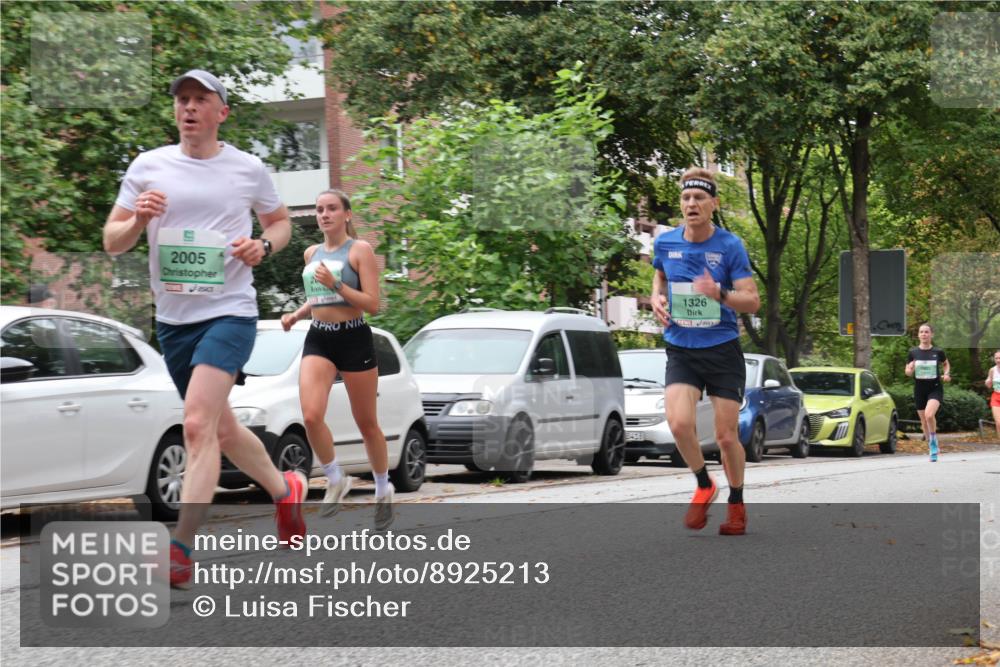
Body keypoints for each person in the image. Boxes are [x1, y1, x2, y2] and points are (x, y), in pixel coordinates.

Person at [103, 69, 305, 588]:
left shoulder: (247, 168)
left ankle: (180, 548)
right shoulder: (148, 167)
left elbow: (279, 223)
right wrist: (138, 220)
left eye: (200, 100)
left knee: (195, 424)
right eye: (182, 100)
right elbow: (112, 242)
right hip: (173, 321)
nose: (189, 107)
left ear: (222, 113)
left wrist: (263, 246)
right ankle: (286, 492)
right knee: (221, 428)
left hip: (230, 312)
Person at [651, 168, 760, 535]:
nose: (691, 204)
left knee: (727, 436)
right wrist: (655, 297)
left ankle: (737, 504)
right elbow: (660, 275)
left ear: (713, 203)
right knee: (679, 423)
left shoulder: (729, 246)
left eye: (699, 198)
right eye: (685, 198)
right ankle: (703, 483)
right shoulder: (665, 242)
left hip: (722, 349)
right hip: (682, 348)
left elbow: (753, 301)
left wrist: (721, 295)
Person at [280, 189, 394, 530]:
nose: (324, 214)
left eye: (331, 209)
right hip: (320, 337)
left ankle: (382, 487)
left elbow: (372, 305)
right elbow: (319, 298)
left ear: (346, 214)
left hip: (354, 337)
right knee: (311, 415)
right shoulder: (310, 253)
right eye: (319, 209)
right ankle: (334, 477)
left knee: (366, 423)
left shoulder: (360, 251)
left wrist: (338, 284)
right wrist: (297, 314)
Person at [905, 323, 950, 462]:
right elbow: (907, 372)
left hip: (935, 388)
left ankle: (933, 442)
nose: (924, 334)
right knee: (923, 421)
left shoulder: (938, 352)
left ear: (931, 335)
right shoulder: (913, 353)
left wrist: (946, 374)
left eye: (926, 332)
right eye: (921, 332)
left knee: (929, 415)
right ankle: (932, 445)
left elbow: (946, 363)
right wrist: (910, 368)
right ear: (918, 335)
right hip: (919, 389)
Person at [985, 350, 1000, 440]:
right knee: (998, 423)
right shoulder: (992, 370)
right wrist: (988, 382)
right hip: (996, 397)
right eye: (996, 358)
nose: (998, 360)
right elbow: (989, 385)